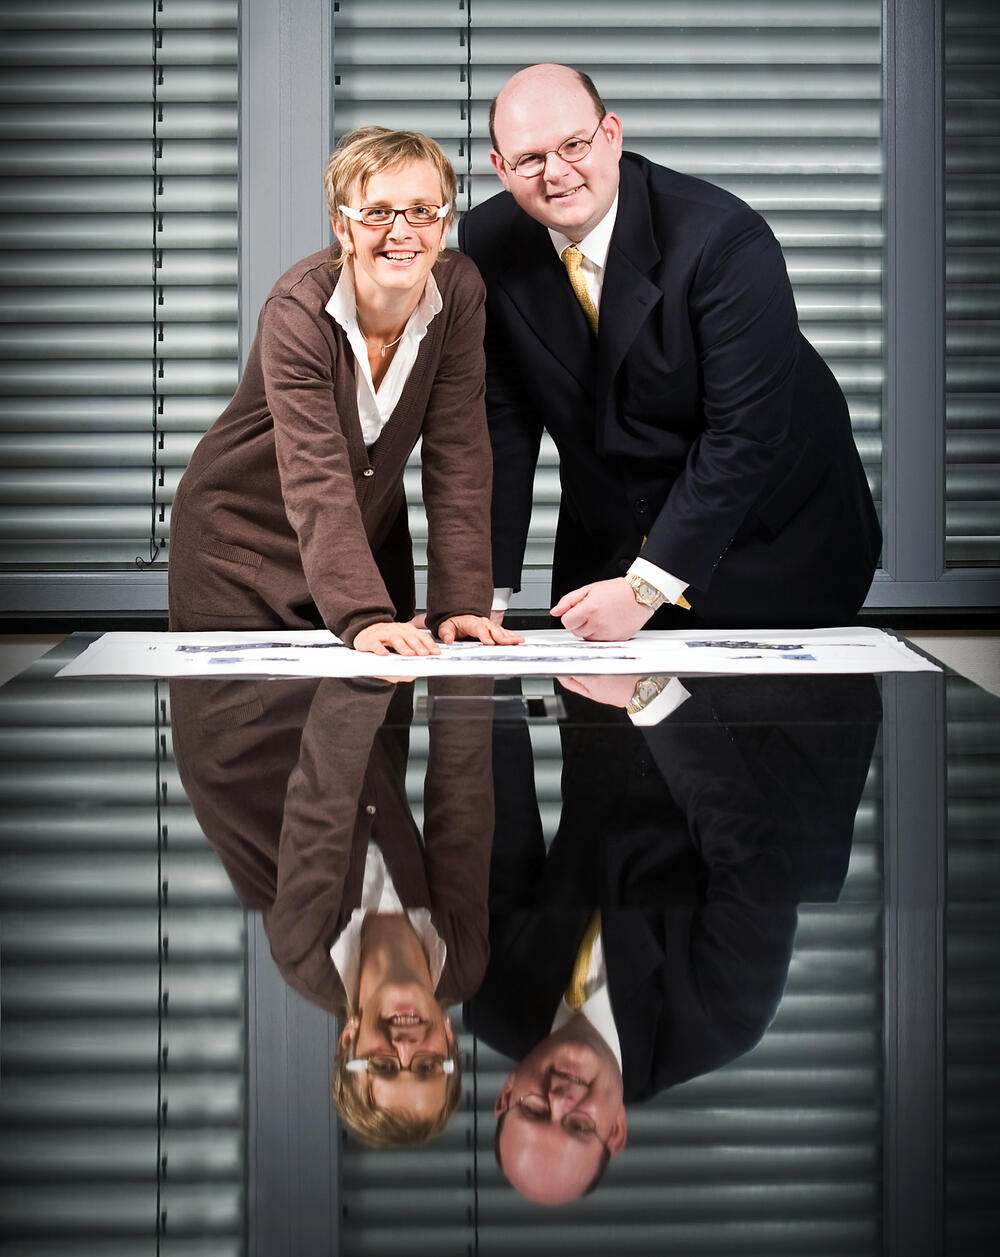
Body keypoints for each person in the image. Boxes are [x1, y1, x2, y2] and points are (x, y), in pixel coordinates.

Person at [459, 64, 882, 640]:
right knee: (598, 722)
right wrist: (482, 589)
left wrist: (647, 586)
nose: (555, 174)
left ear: (611, 134)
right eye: (529, 159)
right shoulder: (488, 238)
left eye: (574, 145)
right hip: (608, 548)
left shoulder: (723, 238)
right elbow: (505, 421)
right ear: (500, 169)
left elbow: (746, 434)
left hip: (767, 543)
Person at [468, 673, 882, 1202]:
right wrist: (648, 694)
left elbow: (503, 829)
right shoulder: (723, 1020)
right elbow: (745, 846)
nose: (560, 1099)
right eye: (578, 1126)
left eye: (534, 1110)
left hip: (614, 709)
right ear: (615, 1129)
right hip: (772, 721)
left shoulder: (494, 1000)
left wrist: (488, 676)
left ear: (505, 1096)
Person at [169, 127, 522, 657]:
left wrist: (461, 604)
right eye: (378, 212)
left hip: (362, 553)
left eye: (423, 211)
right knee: (249, 735)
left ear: (444, 222)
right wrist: (362, 615)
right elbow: (317, 473)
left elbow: (460, 453)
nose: (402, 231)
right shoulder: (297, 311)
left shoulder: (459, 291)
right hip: (242, 556)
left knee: (372, 728)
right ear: (343, 227)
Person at [169, 674, 496, 1146]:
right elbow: (461, 793)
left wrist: (370, 664)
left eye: (382, 1065)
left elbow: (322, 800)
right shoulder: (461, 959)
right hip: (354, 711)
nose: (405, 1049)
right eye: (427, 1066)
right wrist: (464, 641)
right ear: (448, 1039)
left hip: (244, 711)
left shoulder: (306, 956)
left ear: (348, 1041)